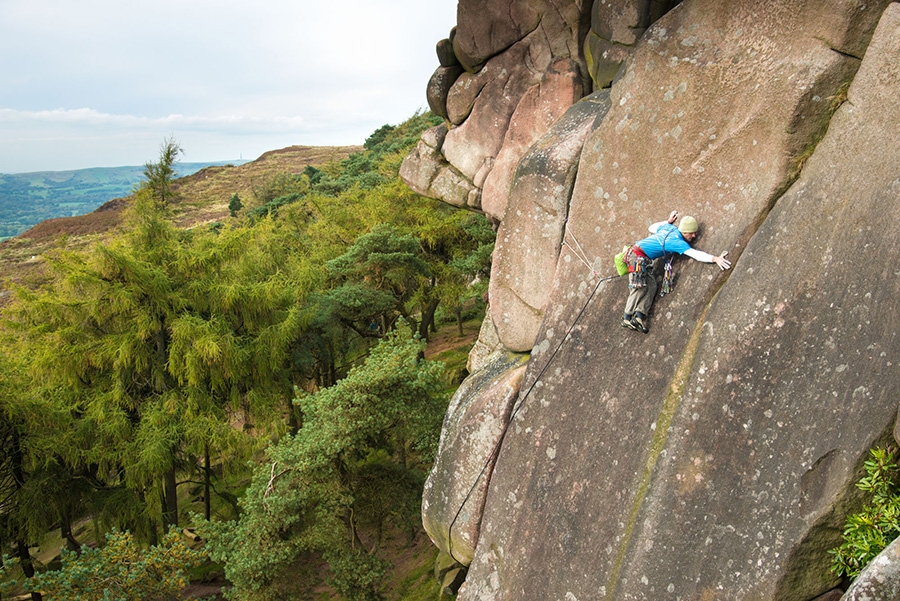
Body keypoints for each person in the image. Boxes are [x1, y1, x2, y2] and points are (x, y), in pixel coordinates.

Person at [622, 210, 731, 333]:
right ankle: (627, 317)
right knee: (639, 287)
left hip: (640, 256)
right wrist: (715, 259)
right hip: (636, 258)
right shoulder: (676, 242)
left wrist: (668, 221)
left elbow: (651, 228)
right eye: (692, 233)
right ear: (684, 232)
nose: (694, 236)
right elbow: (695, 254)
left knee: (652, 286)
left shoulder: (669, 228)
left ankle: (639, 316)